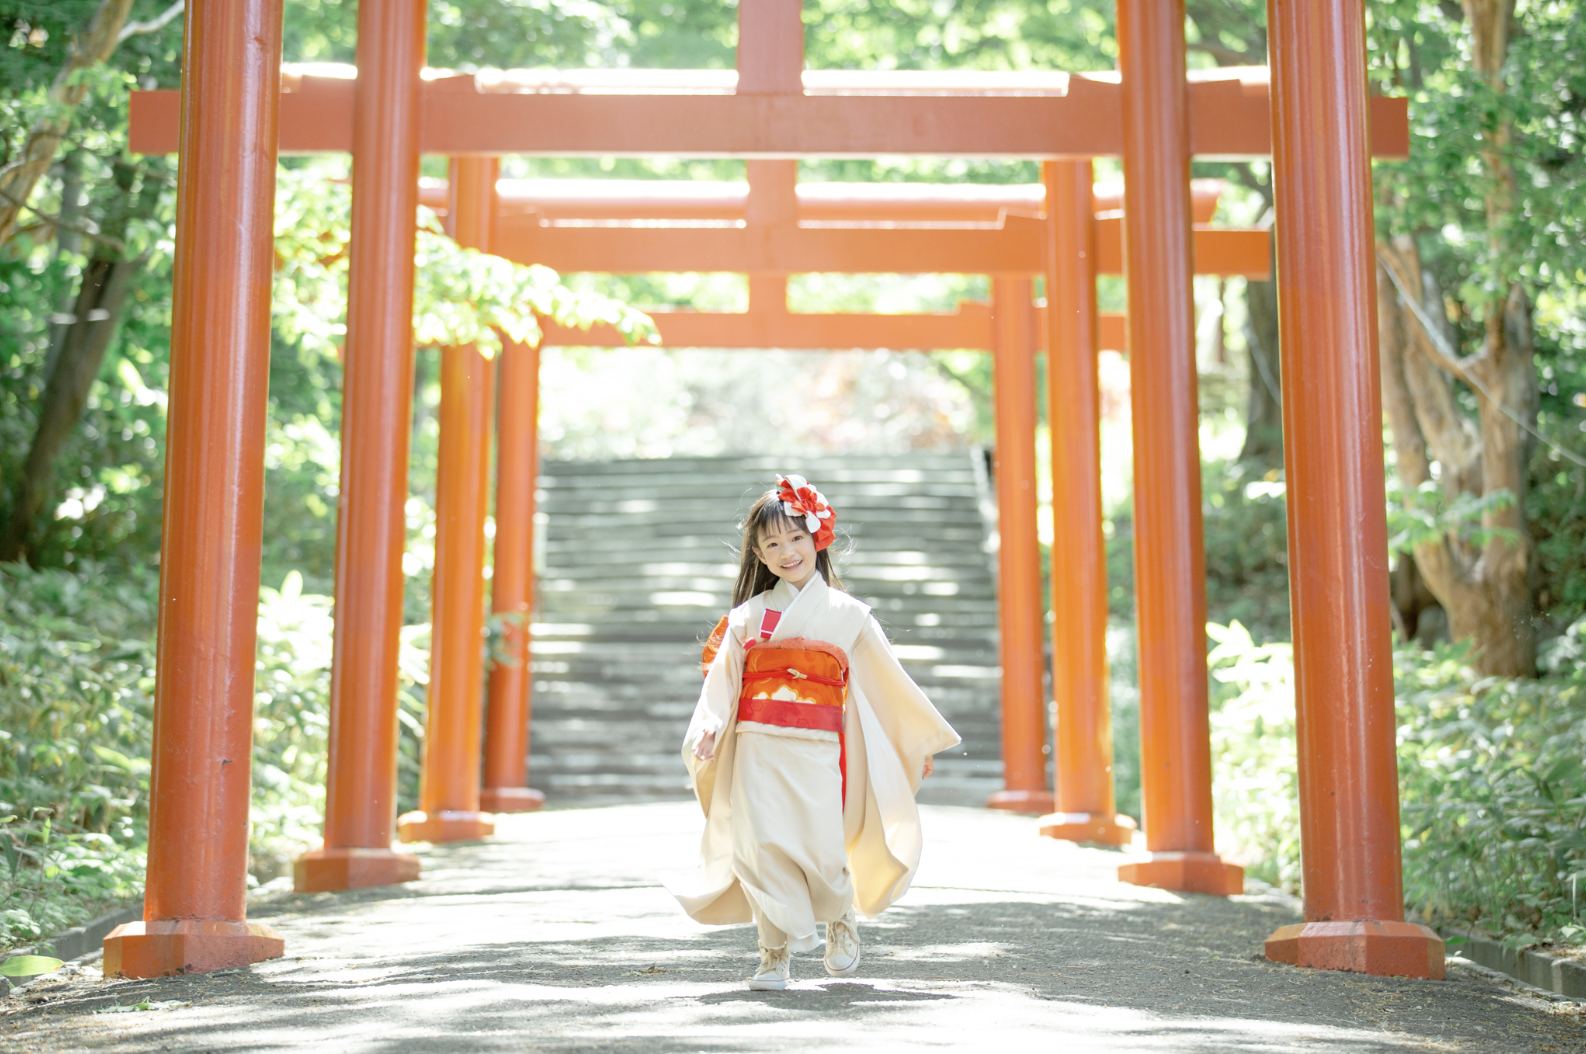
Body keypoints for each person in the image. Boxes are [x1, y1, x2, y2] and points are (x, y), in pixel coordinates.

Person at [669, 474, 960, 991]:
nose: (786, 551)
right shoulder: (747, 618)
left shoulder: (850, 617)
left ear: (817, 537)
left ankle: (840, 919)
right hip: (758, 746)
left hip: (821, 747)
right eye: (772, 544)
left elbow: (887, 684)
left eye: (795, 538)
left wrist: (907, 742)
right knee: (761, 846)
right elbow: (723, 682)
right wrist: (711, 724)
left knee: (824, 846)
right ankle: (772, 955)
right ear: (758, 555)